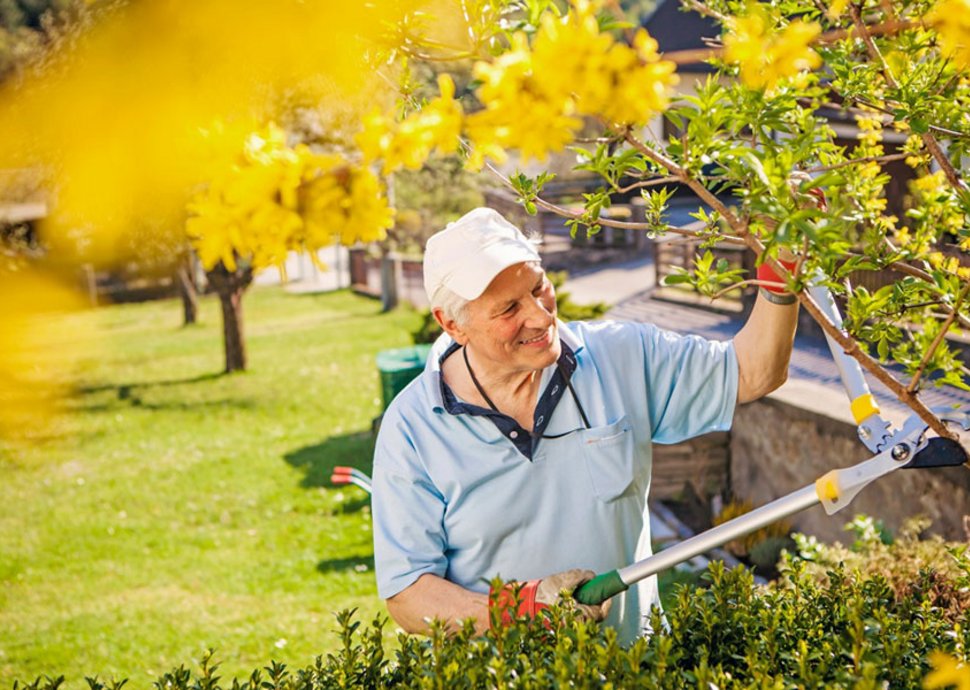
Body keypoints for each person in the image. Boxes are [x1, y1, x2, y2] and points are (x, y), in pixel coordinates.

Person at [371, 206, 799, 644]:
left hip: (635, 669)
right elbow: (409, 594)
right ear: (452, 324)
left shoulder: (621, 357)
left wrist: (781, 267)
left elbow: (753, 372)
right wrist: (525, 607)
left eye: (540, 288)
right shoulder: (413, 429)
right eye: (509, 309)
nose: (540, 318)